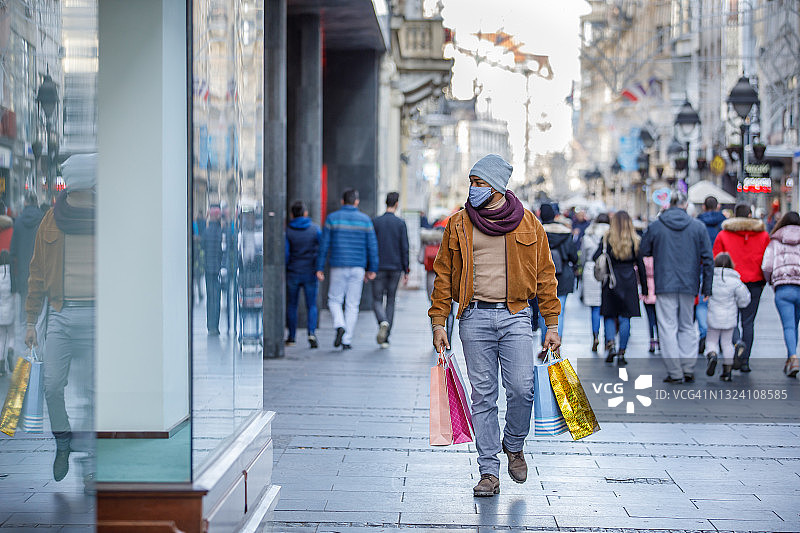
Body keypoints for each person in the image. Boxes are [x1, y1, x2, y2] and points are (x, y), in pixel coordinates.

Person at [428, 154, 561, 497]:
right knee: (483, 395)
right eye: (471, 182)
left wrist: (552, 324)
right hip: (473, 317)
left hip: (516, 315)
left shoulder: (528, 223)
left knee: (522, 388)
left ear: (498, 187)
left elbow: (546, 275)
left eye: (480, 183)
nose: (473, 189)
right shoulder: (458, 223)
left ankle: (514, 445)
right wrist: (439, 322)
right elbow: (443, 276)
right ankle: (489, 470)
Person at [25, 153, 96, 482]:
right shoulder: (51, 220)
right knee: (52, 387)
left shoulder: (109, 217)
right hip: (61, 315)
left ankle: (93, 463)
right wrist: (29, 321)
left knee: (95, 393)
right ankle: (63, 441)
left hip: (99, 317)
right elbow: (37, 272)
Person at [640, 191, 713, 384]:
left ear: (668, 205)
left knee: (667, 326)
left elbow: (644, 250)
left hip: (664, 282)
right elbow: (708, 258)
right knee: (687, 325)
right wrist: (707, 287)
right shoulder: (698, 227)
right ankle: (688, 367)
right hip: (689, 283)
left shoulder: (656, 226)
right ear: (685, 204)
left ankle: (675, 371)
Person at [316, 189, 379, 350]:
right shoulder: (365, 220)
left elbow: (324, 245)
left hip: (338, 265)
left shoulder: (332, 218)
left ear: (342, 201)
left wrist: (319, 267)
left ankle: (339, 324)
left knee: (334, 300)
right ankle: (347, 340)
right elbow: (372, 246)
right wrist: (372, 268)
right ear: (356, 202)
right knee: (352, 304)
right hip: (358, 267)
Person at [713, 203, 770, 372]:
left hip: (730, 281)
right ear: (750, 215)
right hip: (755, 281)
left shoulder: (723, 235)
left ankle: (737, 344)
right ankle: (744, 361)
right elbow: (767, 261)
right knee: (748, 321)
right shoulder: (763, 235)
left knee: (731, 318)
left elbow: (717, 258)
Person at [592, 211, 647, 365]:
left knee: (609, 315)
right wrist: (645, 288)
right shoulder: (635, 240)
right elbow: (641, 266)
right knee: (625, 317)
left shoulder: (607, 238)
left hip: (611, 280)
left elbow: (595, 256)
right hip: (629, 282)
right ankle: (622, 351)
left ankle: (611, 345)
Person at [760, 211, 800, 378]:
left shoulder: (775, 240)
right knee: (795, 324)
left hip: (783, 288)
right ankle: (791, 358)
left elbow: (766, 266)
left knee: (788, 326)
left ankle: (792, 357)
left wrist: (771, 281)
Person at [537, 203, 577, 356]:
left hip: (542, 276)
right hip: (563, 277)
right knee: (559, 313)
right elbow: (573, 255)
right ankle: (556, 345)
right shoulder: (565, 232)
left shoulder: (537, 231)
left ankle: (544, 345)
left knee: (543, 311)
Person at [705, 252, 751, 382]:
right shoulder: (735, 281)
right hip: (729, 316)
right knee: (727, 343)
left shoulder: (711, 279)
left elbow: (704, 292)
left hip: (713, 315)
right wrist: (738, 303)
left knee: (711, 340)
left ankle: (712, 355)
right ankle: (727, 371)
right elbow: (745, 299)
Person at [372, 192, 409, 348]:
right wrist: (406, 269)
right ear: (396, 204)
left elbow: (371, 245)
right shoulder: (400, 223)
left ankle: (382, 321)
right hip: (395, 267)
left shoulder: (376, 222)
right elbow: (404, 247)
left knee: (376, 299)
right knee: (391, 300)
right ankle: (386, 338)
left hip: (378, 267)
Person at [285, 201, 321, 348]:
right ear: (305, 213)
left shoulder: (288, 230)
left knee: (292, 305)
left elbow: (286, 254)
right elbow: (321, 250)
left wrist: (287, 267)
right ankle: (311, 333)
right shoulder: (315, 229)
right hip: (310, 272)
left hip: (293, 272)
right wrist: (318, 267)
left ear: (292, 214)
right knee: (311, 305)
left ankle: (292, 337)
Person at [695, 195, 726, 354]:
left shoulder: (697, 224)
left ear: (704, 207)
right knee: (720, 304)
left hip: (701, 267)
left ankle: (704, 333)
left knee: (702, 303)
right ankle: (720, 337)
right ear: (718, 206)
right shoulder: (724, 225)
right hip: (721, 268)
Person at [10, 192, 44, 325]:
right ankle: (38, 343)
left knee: (24, 312)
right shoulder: (43, 220)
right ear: (36, 203)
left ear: (25, 203)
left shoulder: (18, 222)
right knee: (40, 315)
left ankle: (25, 342)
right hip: (41, 273)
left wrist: (13, 283)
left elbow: (13, 253)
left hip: (24, 274)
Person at [581, 213, 610, 352]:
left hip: (590, 270)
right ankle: (608, 338)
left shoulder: (587, 236)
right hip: (607, 271)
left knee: (595, 307)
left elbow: (582, 257)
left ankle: (595, 336)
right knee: (608, 307)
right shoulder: (611, 235)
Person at [202, 206, 224, 335]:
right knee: (216, 298)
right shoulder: (220, 231)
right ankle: (215, 325)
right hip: (218, 269)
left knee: (210, 297)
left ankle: (210, 325)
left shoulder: (207, 231)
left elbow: (203, 246)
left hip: (208, 268)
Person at [641, 256, 659, 353]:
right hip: (658, 291)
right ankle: (659, 340)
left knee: (650, 319)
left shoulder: (644, 259)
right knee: (659, 319)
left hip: (647, 291)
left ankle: (652, 340)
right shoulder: (659, 258)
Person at [0, 252, 13, 377]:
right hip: (10, 311)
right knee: (12, 336)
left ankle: (1, 365)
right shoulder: (12, 276)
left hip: (0, 314)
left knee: (1, 338)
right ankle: (11, 350)